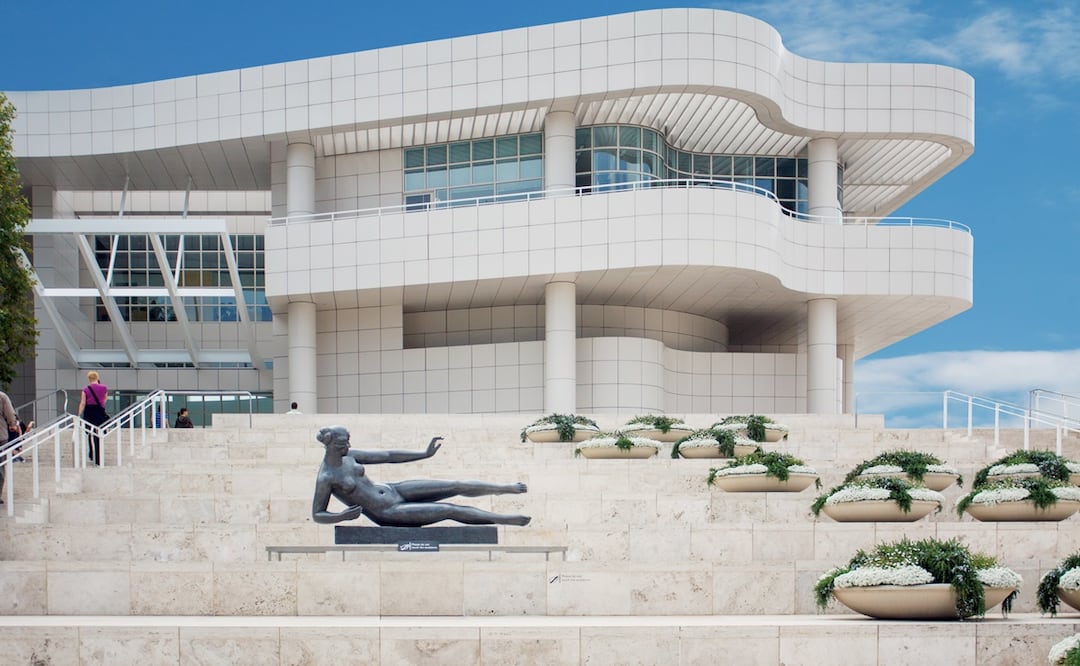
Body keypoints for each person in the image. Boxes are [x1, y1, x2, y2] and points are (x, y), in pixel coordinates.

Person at [311, 426, 531, 527]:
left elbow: (389, 456)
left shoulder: (350, 456)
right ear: (330, 444)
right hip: (387, 511)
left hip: (394, 490)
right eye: (343, 443)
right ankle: (504, 519)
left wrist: (424, 454)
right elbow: (318, 514)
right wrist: (341, 516)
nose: (348, 445)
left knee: (454, 485)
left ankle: (504, 488)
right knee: (449, 509)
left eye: (348, 441)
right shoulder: (326, 477)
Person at [77, 371, 109, 465]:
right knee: (98, 433)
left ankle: (91, 453)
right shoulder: (104, 388)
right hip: (99, 412)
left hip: (89, 412)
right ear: (97, 377)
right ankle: (99, 457)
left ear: (89, 378)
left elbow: (83, 403)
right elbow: (105, 399)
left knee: (90, 432)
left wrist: (79, 414)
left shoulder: (85, 389)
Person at [0, 390, 20, 503]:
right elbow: (10, 413)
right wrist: (12, 425)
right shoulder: (2, 397)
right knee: (0, 467)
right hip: (1, 437)